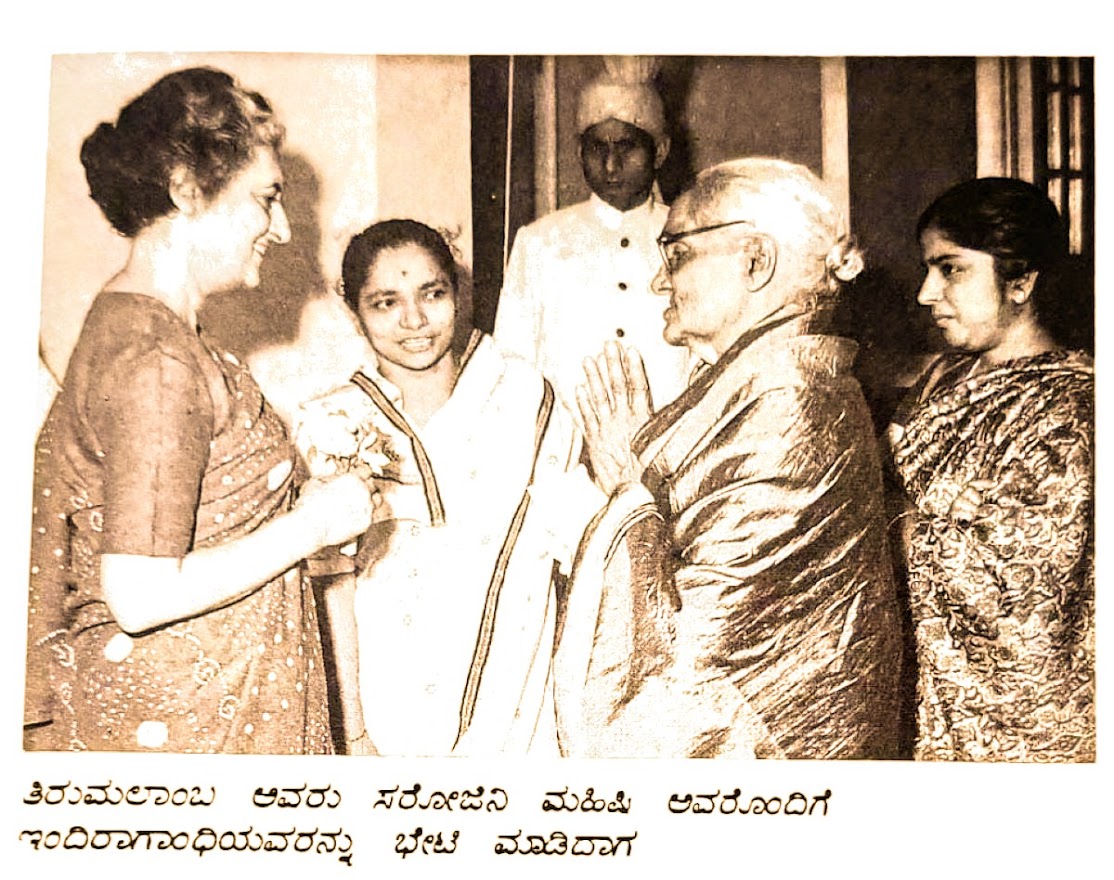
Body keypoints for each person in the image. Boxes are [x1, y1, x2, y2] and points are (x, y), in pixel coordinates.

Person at [24, 67, 376, 754]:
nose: (277, 229)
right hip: (191, 727)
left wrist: (297, 479)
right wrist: (313, 524)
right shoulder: (156, 357)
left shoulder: (146, 329)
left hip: (208, 704)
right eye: (264, 200)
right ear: (187, 191)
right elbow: (140, 593)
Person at [555, 157, 902, 759]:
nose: (660, 283)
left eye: (677, 254)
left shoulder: (790, 400)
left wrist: (629, 489)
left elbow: (699, 662)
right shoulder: (762, 379)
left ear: (756, 261)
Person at [297, 219, 594, 756]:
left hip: (519, 703)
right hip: (389, 703)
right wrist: (355, 730)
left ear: (456, 289)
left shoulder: (528, 398)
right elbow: (331, 587)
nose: (414, 321)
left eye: (431, 294)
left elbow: (583, 552)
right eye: (386, 303)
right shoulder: (333, 421)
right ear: (354, 309)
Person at [887, 177, 1094, 762]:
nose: (927, 292)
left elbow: (1025, 586)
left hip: (1018, 722)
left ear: (1022, 281)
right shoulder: (943, 377)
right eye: (928, 269)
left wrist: (887, 521)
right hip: (928, 689)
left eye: (951, 269)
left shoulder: (1068, 410)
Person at [493, 56, 691, 415]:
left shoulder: (688, 237)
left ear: (659, 151)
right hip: (564, 456)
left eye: (626, 147)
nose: (611, 165)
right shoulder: (539, 241)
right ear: (579, 152)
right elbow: (513, 362)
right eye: (598, 148)